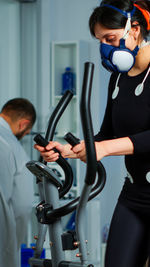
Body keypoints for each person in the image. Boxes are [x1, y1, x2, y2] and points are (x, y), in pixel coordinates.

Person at [34, 0, 150, 266]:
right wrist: (69, 151)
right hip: (134, 196)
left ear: (134, 29)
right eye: (100, 41)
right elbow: (105, 135)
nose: (106, 48)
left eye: (110, 38)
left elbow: (109, 146)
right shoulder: (118, 78)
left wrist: (106, 148)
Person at [0, 98, 36, 267]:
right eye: (28, 131)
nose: (26, 134)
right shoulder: (14, 148)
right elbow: (23, 206)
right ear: (23, 124)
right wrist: (13, 242)